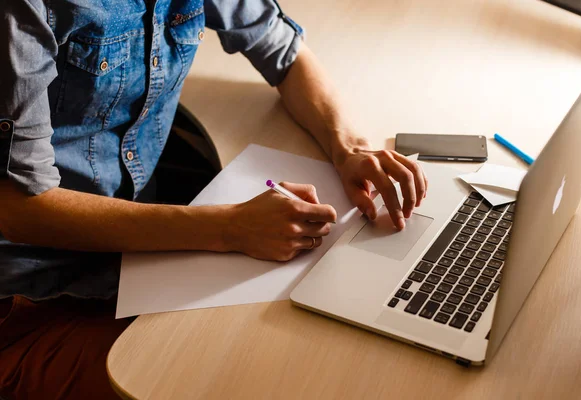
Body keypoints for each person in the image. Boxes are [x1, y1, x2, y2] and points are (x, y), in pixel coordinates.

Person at [0, 0, 427, 398]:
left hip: (136, 262)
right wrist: (229, 228)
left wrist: (349, 147)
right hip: (32, 299)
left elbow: (282, 49)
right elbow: (19, 208)